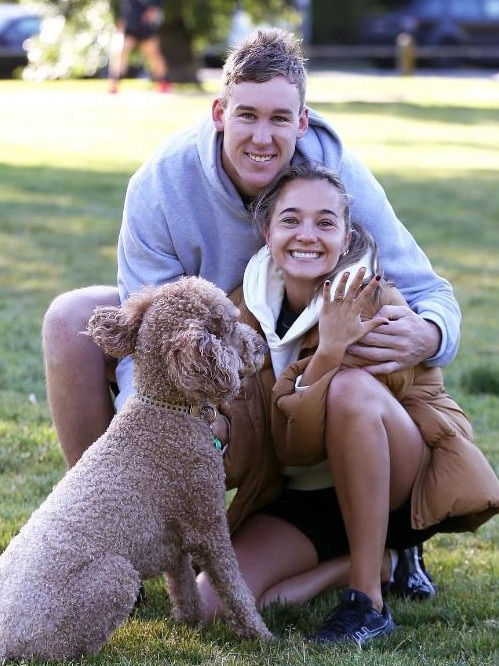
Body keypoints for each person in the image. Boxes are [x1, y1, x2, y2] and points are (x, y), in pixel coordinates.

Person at [43, 28, 457, 599]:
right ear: (219, 112)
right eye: (247, 116)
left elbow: (430, 291)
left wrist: (429, 335)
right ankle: (107, 543)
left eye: (280, 119)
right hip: (223, 364)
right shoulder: (161, 186)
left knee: (351, 393)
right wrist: (162, 434)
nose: (262, 138)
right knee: (70, 319)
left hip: (317, 381)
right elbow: (147, 338)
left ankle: (388, 541)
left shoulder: (332, 178)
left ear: (303, 121)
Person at [196, 162, 499, 645]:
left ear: (346, 235)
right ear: (266, 231)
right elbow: (284, 452)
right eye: (290, 219)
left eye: (325, 222)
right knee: (208, 608)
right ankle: (380, 564)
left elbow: (320, 432)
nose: (307, 236)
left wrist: (332, 352)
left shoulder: (375, 300)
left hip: (396, 479)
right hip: (306, 493)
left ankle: (368, 603)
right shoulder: (242, 310)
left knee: (350, 390)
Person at [107, 0, 171, 94]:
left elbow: (157, 5)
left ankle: (164, 82)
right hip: (130, 27)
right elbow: (126, 8)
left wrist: (153, 12)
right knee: (121, 52)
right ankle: (114, 83)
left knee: (154, 55)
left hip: (145, 27)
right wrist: (122, 21)